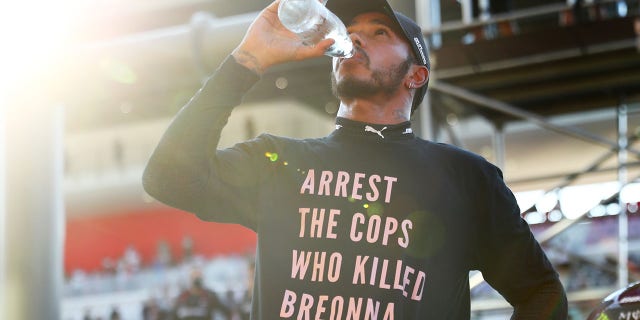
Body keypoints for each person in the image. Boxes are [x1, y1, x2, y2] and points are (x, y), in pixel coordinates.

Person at [143, 0, 568, 318]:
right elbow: (167, 177)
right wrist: (247, 61)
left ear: (416, 74)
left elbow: (542, 294)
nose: (356, 37)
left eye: (380, 32)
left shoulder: (465, 178)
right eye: (352, 29)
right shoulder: (278, 161)